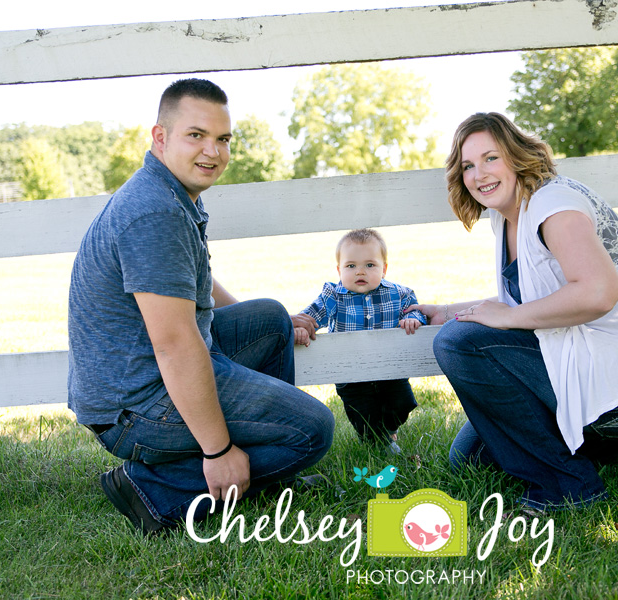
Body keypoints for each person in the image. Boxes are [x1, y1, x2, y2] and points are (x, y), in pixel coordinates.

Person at [67, 78, 334, 533]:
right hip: (135, 404)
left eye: (222, 139)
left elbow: (194, 287)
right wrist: (216, 450)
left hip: (140, 375)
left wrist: (275, 323)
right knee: (312, 429)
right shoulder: (154, 212)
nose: (213, 151)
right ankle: (155, 489)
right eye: (196, 135)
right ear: (160, 137)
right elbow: (174, 344)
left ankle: (258, 470)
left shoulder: (169, 191)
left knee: (268, 319)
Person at [409, 112, 618, 511]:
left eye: (491, 158)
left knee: (459, 345)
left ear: (516, 154)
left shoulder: (553, 204)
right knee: (471, 457)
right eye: (468, 165)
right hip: (585, 368)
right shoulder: (506, 218)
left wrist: (504, 318)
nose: (479, 174)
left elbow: (597, 293)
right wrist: (447, 310)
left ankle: (569, 487)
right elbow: (529, 302)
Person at [293, 228, 426, 454]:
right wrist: (301, 329)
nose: (360, 272)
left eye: (370, 265)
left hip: (390, 367)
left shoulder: (399, 294)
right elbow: (310, 317)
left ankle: (389, 427)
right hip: (349, 370)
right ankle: (377, 444)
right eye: (351, 266)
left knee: (403, 403)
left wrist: (412, 319)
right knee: (363, 414)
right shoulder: (333, 296)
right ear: (339, 270)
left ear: (384, 269)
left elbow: (417, 312)